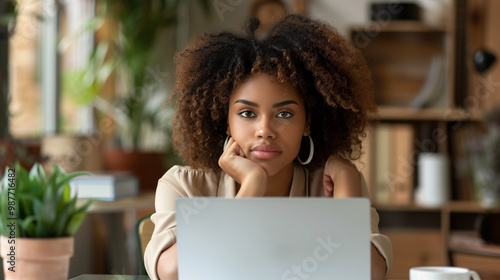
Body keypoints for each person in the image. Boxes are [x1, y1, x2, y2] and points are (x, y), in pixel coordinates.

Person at [144, 14, 393, 280]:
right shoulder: (184, 186)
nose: (265, 130)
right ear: (226, 122)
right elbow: (173, 272)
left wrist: (346, 180)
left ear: (307, 123)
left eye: (284, 114)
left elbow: (369, 273)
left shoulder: (335, 183)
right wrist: (252, 185)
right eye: (247, 114)